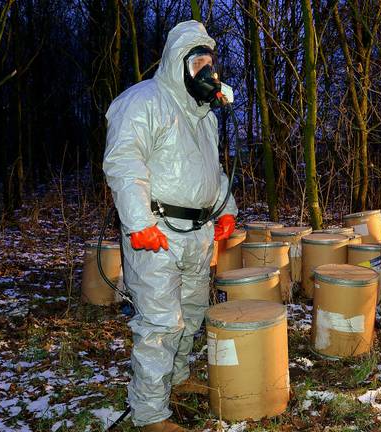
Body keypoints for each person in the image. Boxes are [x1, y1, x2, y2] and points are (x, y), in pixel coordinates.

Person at [103, 21, 237, 432]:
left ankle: (176, 379)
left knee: (193, 314)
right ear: (177, 62)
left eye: (210, 63)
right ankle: (149, 414)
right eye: (198, 62)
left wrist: (226, 207)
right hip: (156, 232)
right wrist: (139, 222)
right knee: (160, 324)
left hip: (197, 233)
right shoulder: (144, 101)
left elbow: (211, 172)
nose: (207, 71)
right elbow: (124, 162)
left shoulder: (205, 117)